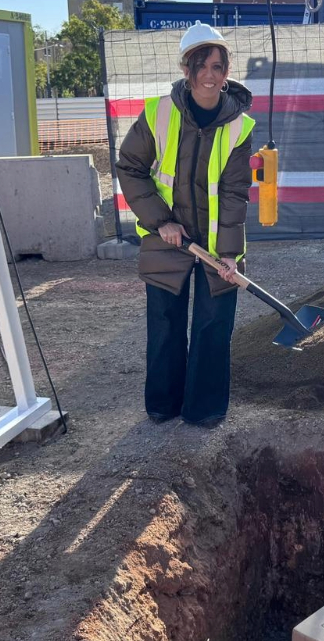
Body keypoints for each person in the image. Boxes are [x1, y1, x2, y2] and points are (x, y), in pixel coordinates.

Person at [115, 23, 256, 428]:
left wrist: (230, 254)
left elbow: (233, 194)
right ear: (185, 68)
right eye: (200, 65)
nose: (210, 75)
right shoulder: (158, 112)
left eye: (217, 65)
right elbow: (131, 168)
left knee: (214, 324)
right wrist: (161, 221)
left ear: (227, 70)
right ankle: (163, 403)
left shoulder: (239, 126)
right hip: (167, 237)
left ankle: (205, 408)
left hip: (214, 244)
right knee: (165, 322)